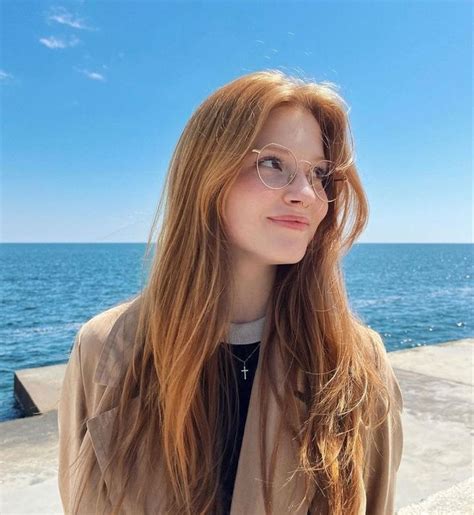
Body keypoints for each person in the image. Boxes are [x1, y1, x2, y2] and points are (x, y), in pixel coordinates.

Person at [58, 70, 403, 515]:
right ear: (206, 175)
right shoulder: (107, 350)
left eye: (319, 173)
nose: (307, 194)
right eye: (273, 163)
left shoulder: (354, 363)